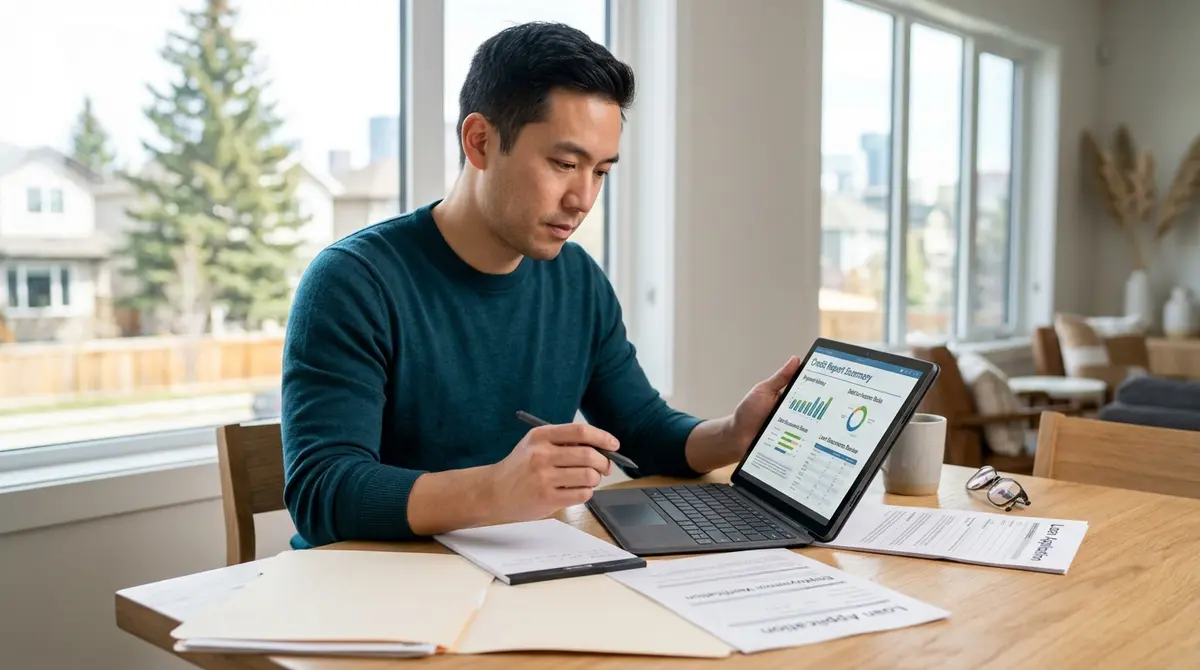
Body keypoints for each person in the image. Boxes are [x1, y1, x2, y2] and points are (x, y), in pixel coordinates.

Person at [280, 21, 799, 549]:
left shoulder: (577, 280)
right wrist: (496, 488)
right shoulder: (353, 281)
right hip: (373, 593)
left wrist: (734, 433)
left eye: (600, 172)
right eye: (564, 163)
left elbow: (642, 431)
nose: (583, 199)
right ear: (480, 142)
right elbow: (322, 492)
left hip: (521, 575)